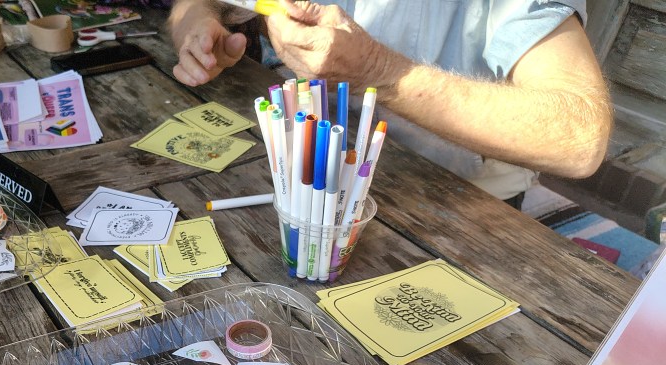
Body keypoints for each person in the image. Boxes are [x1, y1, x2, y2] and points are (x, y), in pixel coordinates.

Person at [168, 0, 612, 205]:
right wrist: (198, 24)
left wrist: (380, 71)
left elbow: (579, 140)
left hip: (457, 209)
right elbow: (198, 3)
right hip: (302, 179)